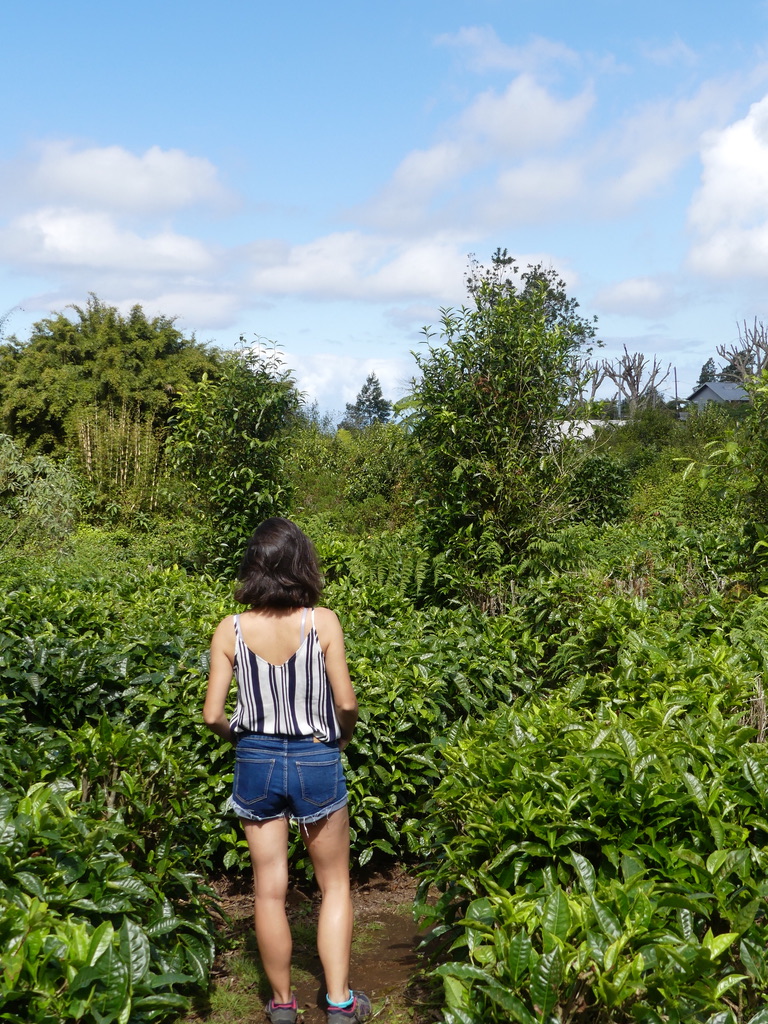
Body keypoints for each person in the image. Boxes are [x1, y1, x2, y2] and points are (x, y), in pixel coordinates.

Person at [203, 518, 371, 1024]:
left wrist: (244, 740)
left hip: (254, 761)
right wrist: (341, 735)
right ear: (301, 563)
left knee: (269, 888)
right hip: (315, 756)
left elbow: (212, 714)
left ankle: (281, 1006)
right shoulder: (322, 621)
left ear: (254, 566)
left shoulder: (230, 628)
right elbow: (346, 701)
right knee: (334, 885)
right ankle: (339, 1003)